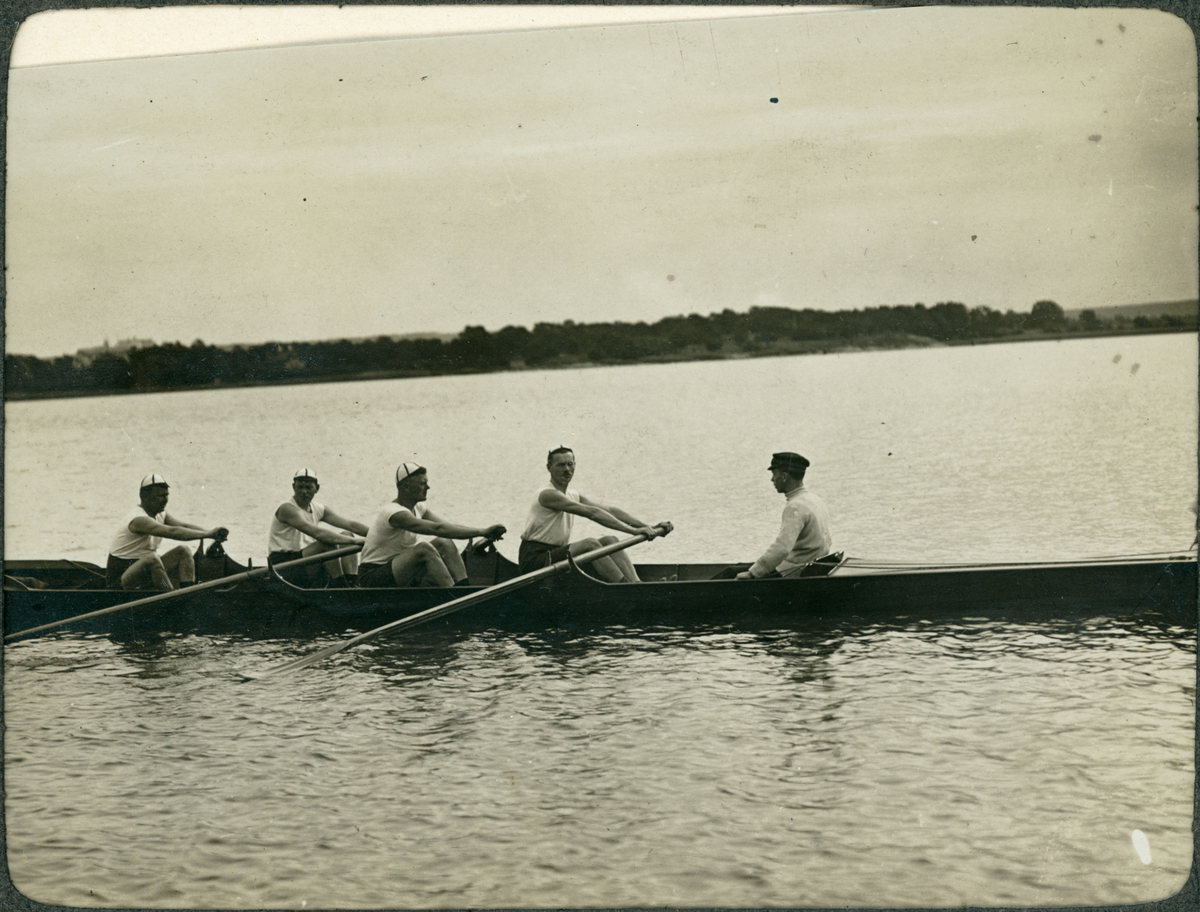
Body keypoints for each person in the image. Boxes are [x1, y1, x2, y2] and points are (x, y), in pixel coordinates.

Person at [518, 446, 672, 582]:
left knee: (610, 541)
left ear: (575, 465)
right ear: (549, 468)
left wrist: (649, 527)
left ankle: (637, 584)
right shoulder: (547, 494)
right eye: (560, 465)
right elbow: (592, 513)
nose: (566, 469)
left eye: (570, 464)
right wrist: (633, 531)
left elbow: (609, 510)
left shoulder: (573, 494)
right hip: (535, 559)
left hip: (556, 554)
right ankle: (626, 588)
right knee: (590, 544)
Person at [357, 463, 507, 588]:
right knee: (424, 549)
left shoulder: (419, 508)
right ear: (406, 487)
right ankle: (455, 599)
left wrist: (483, 532)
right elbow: (437, 529)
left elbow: (446, 527)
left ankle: (464, 588)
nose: (428, 487)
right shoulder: (394, 513)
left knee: (444, 541)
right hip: (372, 577)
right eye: (422, 483)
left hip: (397, 570)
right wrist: (482, 531)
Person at [106, 474, 230, 590]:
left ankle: (189, 593)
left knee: (184, 551)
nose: (165, 500)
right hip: (120, 581)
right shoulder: (138, 519)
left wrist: (212, 534)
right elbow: (173, 531)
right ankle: (173, 598)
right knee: (152, 559)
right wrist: (208, 534)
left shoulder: (160, 514)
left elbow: (183, 526)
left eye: (166, 495)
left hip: (143, 572)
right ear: (144, 497)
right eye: (160, 496)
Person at [733, 452, 833, 580]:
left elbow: (782, 548)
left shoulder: (795, 506)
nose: (772, 479)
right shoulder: (814, 499)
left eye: (774, 474)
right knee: (738, 567)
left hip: (793, 572)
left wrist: (753, 573)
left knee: (730, 573)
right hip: (811, 567)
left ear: (784, 476)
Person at [267, 468, 369, 588]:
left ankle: (352, 583)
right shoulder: (287, 509)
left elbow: (351, 525)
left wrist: (376, 535)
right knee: (325, 543)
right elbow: (317, 533)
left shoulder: (318, 508)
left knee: (347, 535)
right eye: (300, 487)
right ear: (293, 487)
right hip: (283, 565)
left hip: (305, 561)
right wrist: (356, 541)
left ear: (317, 488)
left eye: (308, 487)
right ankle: (340, 586)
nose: (304, 491)